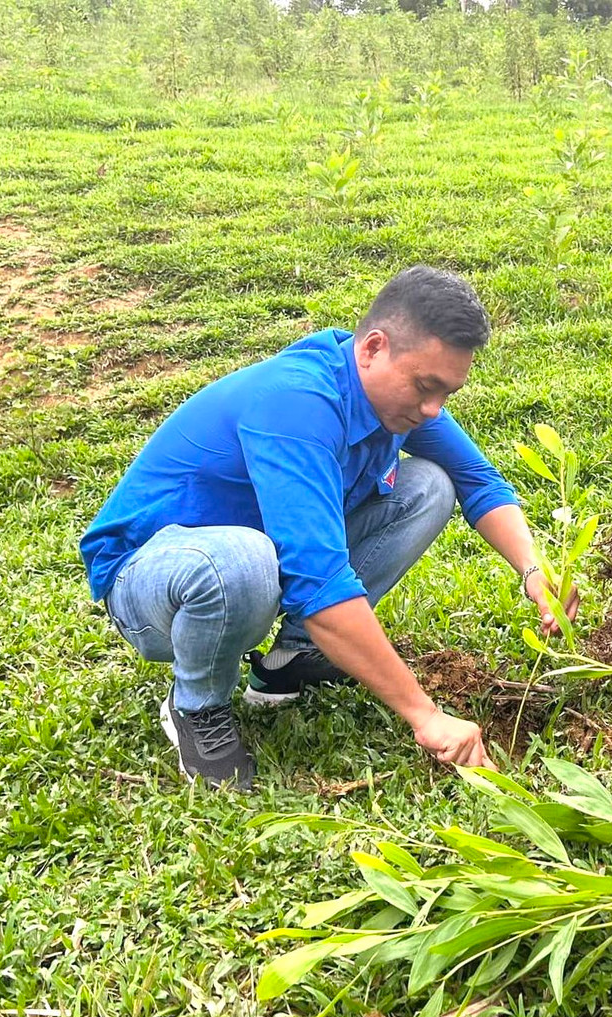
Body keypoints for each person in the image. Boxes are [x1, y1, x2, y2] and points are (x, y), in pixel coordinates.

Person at [81, 265, 577, 790]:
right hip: (152, 582)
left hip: (258, 561)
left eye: (447, 394)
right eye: (425, 387)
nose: (434, 410)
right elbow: (317, 581)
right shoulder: (297, 401)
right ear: (374, 348)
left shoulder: (390, 399)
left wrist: (533, 570)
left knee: (430, 485)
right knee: (241, 562)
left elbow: (477, 478)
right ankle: (196, 704)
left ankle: (292, 659)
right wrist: (426, 716)